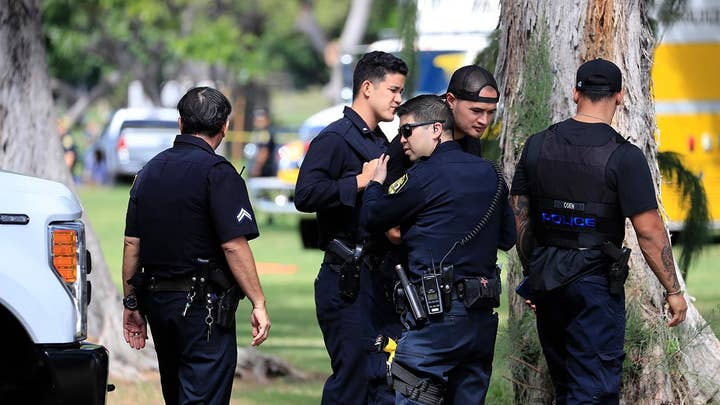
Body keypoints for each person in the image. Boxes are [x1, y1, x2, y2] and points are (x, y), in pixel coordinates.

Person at [510, 58, 688, 404]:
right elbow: (649, 231)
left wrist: (537, 274)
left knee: (566, 387)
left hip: (547, 283)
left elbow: (519, 217)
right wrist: (673, 289)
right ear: (620, 96)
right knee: (593, 391)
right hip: (593, 286)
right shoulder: (625, 156)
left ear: (576, 92)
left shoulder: (536, 145)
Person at [361, 94, 516, 404]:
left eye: (407, 130)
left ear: (435, 129)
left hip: (436, 319)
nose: (401, 139)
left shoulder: (423, 175)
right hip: (480, 319)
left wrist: (375, 183)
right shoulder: (491, 173)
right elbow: (507, 238)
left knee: (414, 392)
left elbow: (373, 217)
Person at [121, 87, 271, 404]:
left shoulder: (148, 171)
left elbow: (132, 244)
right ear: (225, 126)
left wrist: (131, 304)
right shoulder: (218, 173)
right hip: (202, 308)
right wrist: (258, 302)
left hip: (158, 303)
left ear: (180, 123)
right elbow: (233, 245)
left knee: (176, 395)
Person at [294, 51, 407, 405]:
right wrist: (359, 181)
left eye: (401, 91)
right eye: (393, 90)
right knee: (352, 383)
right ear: (367, 88)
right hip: (346, 280)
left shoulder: (381, 142)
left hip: (380, 280)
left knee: (381, 380)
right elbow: (305, 194)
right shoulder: (335, 138)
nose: (398, 99)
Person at [385, 64, 499, 186]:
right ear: (451, 100)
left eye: (490, 112)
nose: (484, 121)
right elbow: (388, 198)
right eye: (476, 111)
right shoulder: (412, 137)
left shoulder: (471, 137)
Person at [249, 108, 277, 178]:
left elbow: (264, 151)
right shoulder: (258, 132)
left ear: (267, 120)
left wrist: (257, 167)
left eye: (261, 120)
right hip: (258, 167)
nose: (257, 122)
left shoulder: (265, 134)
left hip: (264, 170)